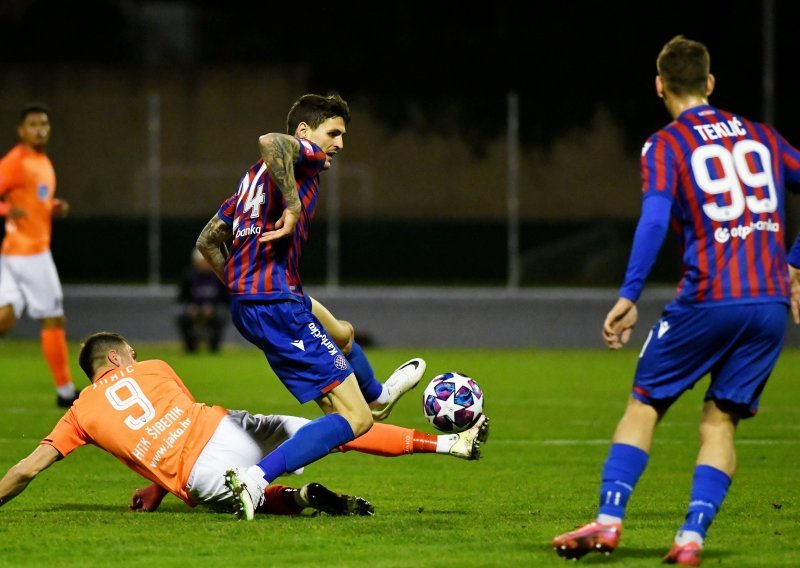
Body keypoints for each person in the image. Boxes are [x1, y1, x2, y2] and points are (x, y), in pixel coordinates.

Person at [551, 35, 800, 566]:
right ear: (710, 83)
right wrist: (795, 263)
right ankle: (691, 537)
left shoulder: (666, 144)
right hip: (770, 305)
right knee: (720, 421)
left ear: (660, 85)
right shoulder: (763, 137)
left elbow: (657, 217)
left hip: (709, 298)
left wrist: (630, 293)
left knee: (644, 404)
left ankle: (610, 521)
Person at [195, 93, 427, 518]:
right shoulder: (300, 156)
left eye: (342, 135)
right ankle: (255, 479)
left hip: (271, 297)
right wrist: (294, 203)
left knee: (343, 333)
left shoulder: (250, 180)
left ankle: (377, 394)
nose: (339, 143)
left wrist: (240, 285)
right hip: (277, 304)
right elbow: (270, 140)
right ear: (304, 131)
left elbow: (208, 240)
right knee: (354, 422)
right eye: (333, 132)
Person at [0, 332, 489, 517]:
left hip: (196, 476)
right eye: (129, 352)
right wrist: (155, 487)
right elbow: (180, 424)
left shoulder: (79, 413)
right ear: (116, 357)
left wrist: (156, 486)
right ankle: (450, 444)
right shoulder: (155, 369)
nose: (135, 356)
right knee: (341, 428)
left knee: (234, 496)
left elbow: (26, 470)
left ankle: (294, 499)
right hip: (227, 430)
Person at [0, 103, 76, 407]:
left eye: (43, 124)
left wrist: (51, 206)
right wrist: (6, 210)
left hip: (13, 252)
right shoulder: (16, 161)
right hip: (31, 253)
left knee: (4, 318)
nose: (39, 129)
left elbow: (34, 199)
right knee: (53, 317)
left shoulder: (42, 161)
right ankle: (65, 392)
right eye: (32, 124)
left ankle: (65, 391)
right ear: (21, 130)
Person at [175, 248, 229, 353]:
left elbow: (225, 299)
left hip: (214, 309)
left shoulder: (219, 275)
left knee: (222, 314)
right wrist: (190, 307)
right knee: (179, 314)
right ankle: (190, 346)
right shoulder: (188, 276)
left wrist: (212, 307)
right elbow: (181, 298)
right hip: (193, 309)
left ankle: (214, 345)